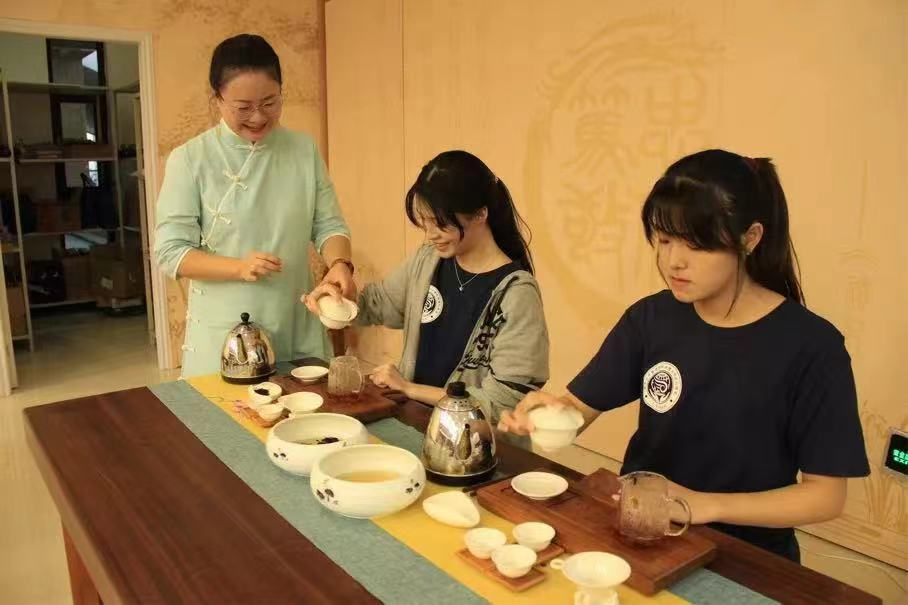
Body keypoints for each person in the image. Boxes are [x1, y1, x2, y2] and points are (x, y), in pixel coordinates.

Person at [498, 149, 869, 561]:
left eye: (696, 244)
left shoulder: (812, 346)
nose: (674, 261)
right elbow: (579, 407)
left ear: (750, 238)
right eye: (664, 240)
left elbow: (826, 496)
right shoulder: (651, 319)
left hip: (747, 556)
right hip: (642, 531)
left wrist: (704, 505)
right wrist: (548, 415)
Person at [155, 34, 354, 377]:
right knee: (225, 412)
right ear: (217, 100)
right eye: (243, 107)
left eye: (270, 102)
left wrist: (340, 264)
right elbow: (171, 252)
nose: (259, 117)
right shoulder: (190, 159)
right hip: (225, 333)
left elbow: (329, 225)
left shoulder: (302, 150)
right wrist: (239, 267)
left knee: (302, 408)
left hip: (295, 319)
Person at [304, 150, 549, 422]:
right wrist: (340, 299)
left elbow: (505, 403)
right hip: (417, 422)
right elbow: (377, 304)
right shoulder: (428, 261)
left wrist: (410, 388)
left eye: (441, 224)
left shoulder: (516, 293)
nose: (431, 235)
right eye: (425, 223)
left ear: (480, 214)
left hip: (472, 438)